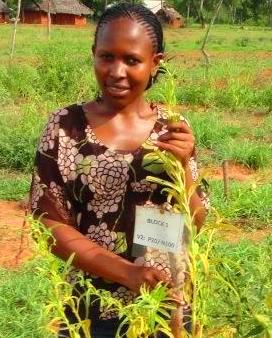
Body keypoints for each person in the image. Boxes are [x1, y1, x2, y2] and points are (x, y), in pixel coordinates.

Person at [30, 3, 208, 337]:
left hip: (166, 305)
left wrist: (183, 167)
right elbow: (48, 222)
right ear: (93, 54)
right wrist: (125, 273)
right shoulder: (66, 127)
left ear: (155, 64)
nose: (117, 71)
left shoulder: (172, 128)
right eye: (107, 57)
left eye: (132, 60)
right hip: (94, 308)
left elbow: (196, 221)